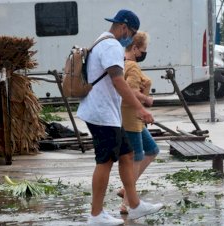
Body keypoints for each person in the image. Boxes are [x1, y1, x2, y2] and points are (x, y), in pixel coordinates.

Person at [76, 9, 163, 225]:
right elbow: (118, 80)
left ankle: (134, 205)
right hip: (101, 113)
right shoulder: (111, 45)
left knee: (127, 154)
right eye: (132, 33)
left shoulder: (102, 41)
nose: (131, 38)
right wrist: (140, 108)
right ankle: (96, 215)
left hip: (106, 113)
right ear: (124, 27)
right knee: (104, 162)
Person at [118, 31, 160, 214]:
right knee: (137, 157)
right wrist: (146, 100)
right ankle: (128, 203)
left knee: (152, 150)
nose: (144, 53)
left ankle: (126, 189)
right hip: (131, 116)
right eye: (143, 50)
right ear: (134, 48)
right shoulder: (133, 66)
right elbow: (130, 91)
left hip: (129, 117)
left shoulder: (120, 63)